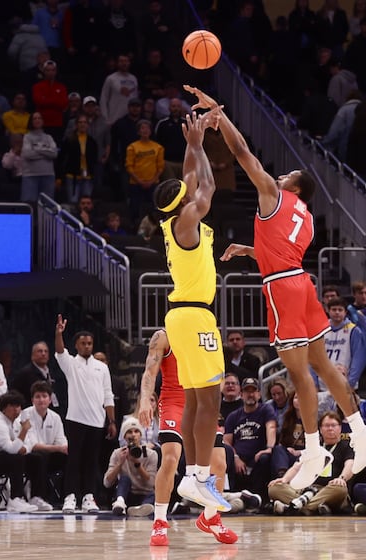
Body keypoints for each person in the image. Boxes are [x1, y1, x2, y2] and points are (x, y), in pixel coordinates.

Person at [196, 85, 366, 492]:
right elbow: (281, 251)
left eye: (285, 177)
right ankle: (360, 428)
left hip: (281, 288)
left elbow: (243, 151)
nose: (278, 177)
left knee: (299, 375)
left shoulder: (273, 194)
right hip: (301, 282)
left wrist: (219, 115)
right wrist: (250, 248)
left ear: (294, 188)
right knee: (322, 365)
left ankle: (314, 448)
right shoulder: (308, 218)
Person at [145, 110, 238, 536]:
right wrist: (200, 146)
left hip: (185, 314)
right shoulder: (187, 220)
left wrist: (190, 141)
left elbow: (190, 178)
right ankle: (197, 478)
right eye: (187, 193)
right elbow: (210, 185)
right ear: (183, 202)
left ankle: (196, 477)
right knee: (211, 400)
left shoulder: (176, 217)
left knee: (201, 400)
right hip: (193, 313)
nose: (192, 192)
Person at [137, 328, 235, 545]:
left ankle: (210, 517)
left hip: (200, 401)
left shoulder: (206, 332)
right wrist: (145, 399)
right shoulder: (163, 335)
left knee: (219, 462)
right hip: (173, 401)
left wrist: (212, 402)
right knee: (170, 458)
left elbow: (217, 372)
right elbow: (149, 371)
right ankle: (159, 523)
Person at [53, 316, 115, 514]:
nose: (87, 346)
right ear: (77, 346)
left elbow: (108, 395)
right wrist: (59, 333)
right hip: (76, 420)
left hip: (97, 421)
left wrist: (111, 421)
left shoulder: (102, 367)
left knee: (91, 461)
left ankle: (89, 497)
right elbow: (60, 351)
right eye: (83, 343)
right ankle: (70, 497)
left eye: (89, 343)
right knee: (74, 460)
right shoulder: (71, 364)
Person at [23, 381, 67, 511]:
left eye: (44, 396)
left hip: (49, 456)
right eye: (37, 396)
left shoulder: (56, 417)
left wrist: (64, 448)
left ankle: (69, 496)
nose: (41, 399)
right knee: (39, 457)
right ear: (32, 400)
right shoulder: (25, 415)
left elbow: (61, 441)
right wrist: (59, 448)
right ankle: (37, 497)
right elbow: (33, 445)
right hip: (29, 458)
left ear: (50, 399)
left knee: (69, 457)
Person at [105, 417, 158, 517]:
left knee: (155, 493)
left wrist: (138, 464)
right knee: (124, 479)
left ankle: (142, 508)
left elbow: (151, 483)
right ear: (124, 436)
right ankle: (120, 502)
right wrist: (119, 464)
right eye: (129, 432)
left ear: (140, 435)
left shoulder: (150, 454)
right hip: (127, 494)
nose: (133, 435)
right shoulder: (118, 453)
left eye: (136, 431)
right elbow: (107, 482)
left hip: (145, 493)